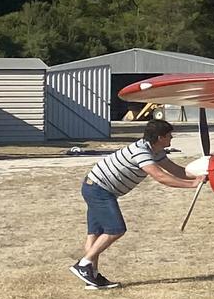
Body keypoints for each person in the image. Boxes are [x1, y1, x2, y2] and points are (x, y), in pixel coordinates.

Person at [70, 116, 200, 289]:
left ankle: (91, 277)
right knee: (115, 229)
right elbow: (160, 177)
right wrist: (192, 185)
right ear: (160, 137)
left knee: (95, 232)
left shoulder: (156, 151)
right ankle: (84, 264)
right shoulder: (141, 152)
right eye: (170, 135)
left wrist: (201, 176)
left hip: (95, 187)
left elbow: (176, 170)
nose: (171, 139)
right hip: (99, 190)